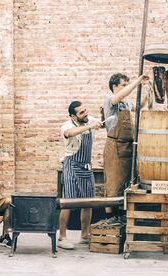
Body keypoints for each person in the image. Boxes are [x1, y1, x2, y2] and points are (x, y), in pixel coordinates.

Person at [103, 73, 149, 217]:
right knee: (113, 187)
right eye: (123, 85)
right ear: (115, 86)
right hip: (115, 149)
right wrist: (137, 81)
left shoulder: (125, 103)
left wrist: (149, 90)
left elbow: (140, 105)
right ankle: (110, 220)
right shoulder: (111, 100)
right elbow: (120, 96)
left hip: (127, 148)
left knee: (125, 186)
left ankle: (122, 220)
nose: (126, 87)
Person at [58, 101, 103, 250]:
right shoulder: (67, 125)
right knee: (68, 203)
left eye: (86, 110)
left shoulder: (89, 119)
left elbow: (102, 123)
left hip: (86, 166)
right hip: (71, 165)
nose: (86, 114)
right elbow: (69, 134)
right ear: (73, 116)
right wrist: (90, 126)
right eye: (81, 113)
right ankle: (62, 237)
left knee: (88, 203)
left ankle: (84, 235)